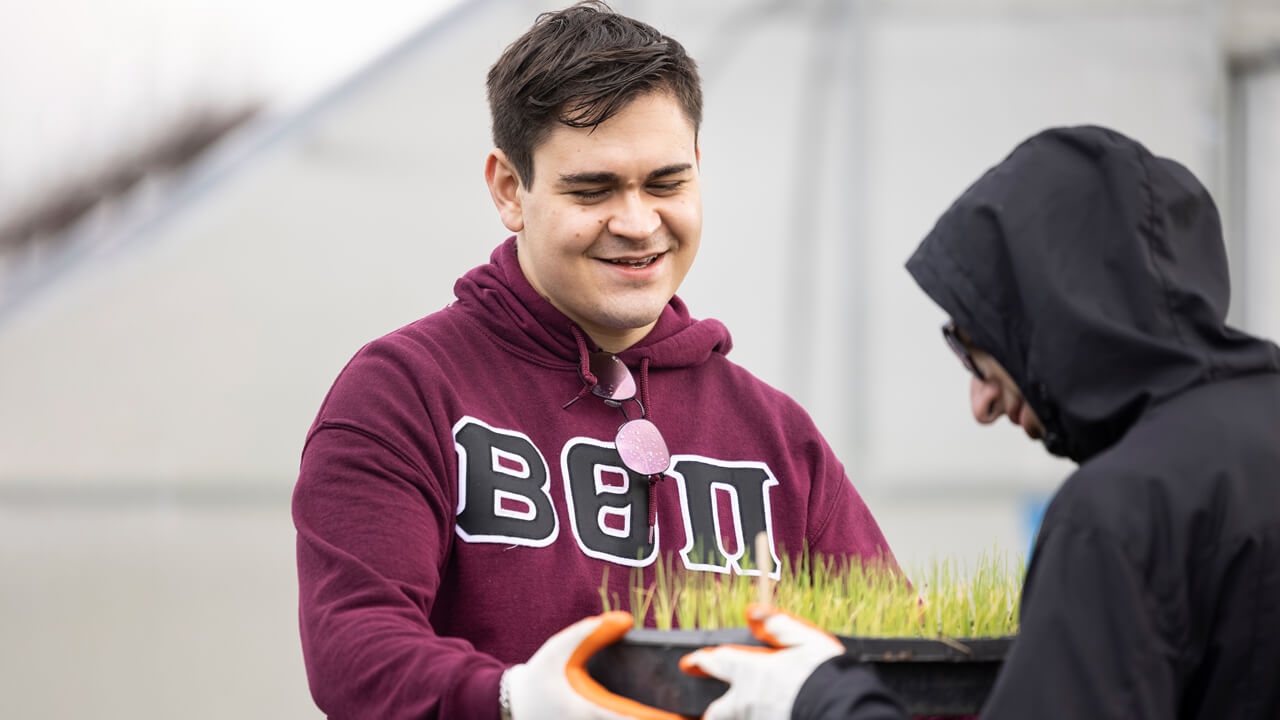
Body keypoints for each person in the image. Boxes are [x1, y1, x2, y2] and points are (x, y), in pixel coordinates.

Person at [291, 2, 896, 718]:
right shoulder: (405, 391)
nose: (638, 223)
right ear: (510, 189)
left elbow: (902, 653)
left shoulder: (776, 436)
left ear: (699, 169)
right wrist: (512, 701)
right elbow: (353, 645)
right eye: (593, 188)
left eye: (666, 183)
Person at [682, 124, 1280, 719]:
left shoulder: (1124, 512)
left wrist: (820, 697)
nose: (980, 403)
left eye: (979, 348)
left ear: (1058, 314)